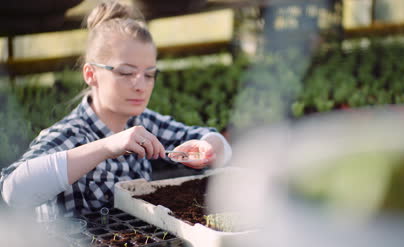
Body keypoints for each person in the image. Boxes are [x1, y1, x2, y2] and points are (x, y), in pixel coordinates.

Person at [0, 0, 231, 220]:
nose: (140, 85)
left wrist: (208, 147)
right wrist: (109, 146)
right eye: (126, 72)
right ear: (91, 74)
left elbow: (220, 147)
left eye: (149, 74)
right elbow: (13, 192)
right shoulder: (73, 134)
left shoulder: (142, 123)